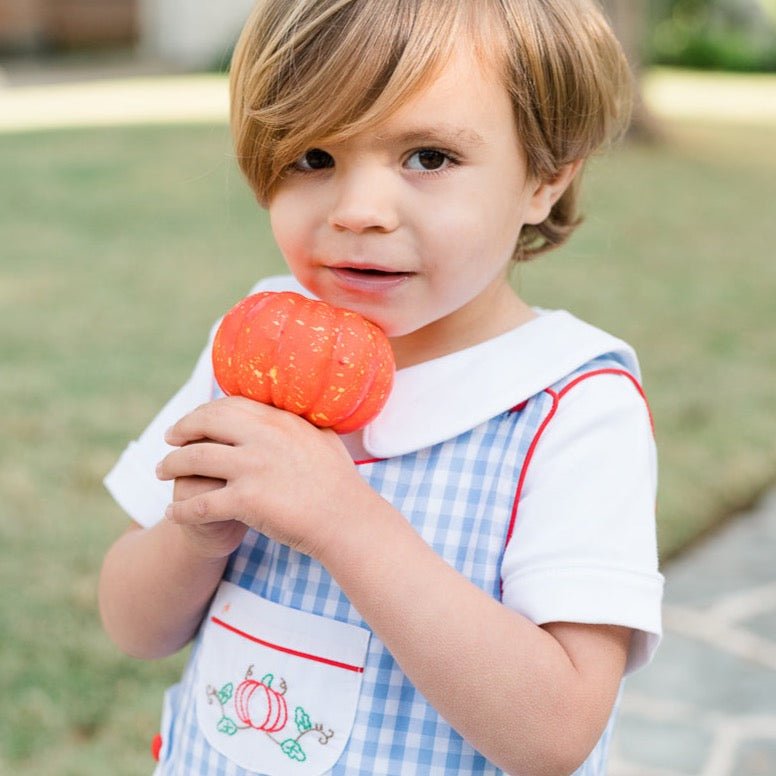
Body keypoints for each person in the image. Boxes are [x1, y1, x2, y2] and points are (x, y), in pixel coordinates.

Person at [98, 0, 663, 773]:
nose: (358, 212)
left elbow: (555, 735)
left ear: (545, 180)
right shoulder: (258, 344)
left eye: (428, 157)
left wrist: (344, 519)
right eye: (314, 157)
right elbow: (133, 626)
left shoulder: (570, 407)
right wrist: (193, 537)